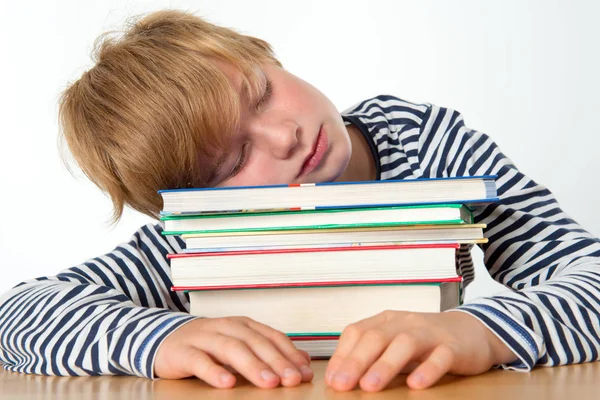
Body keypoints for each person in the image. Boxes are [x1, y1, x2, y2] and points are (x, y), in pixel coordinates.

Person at [1, 9, 599, 393]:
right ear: (190, 202)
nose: (284, 135)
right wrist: (158, 340)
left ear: (267, 55)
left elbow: (589, 274)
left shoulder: (430, 148)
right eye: (233, 162)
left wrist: (483, 331)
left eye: (260, 94)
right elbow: (21, 313)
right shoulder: (208, 228)